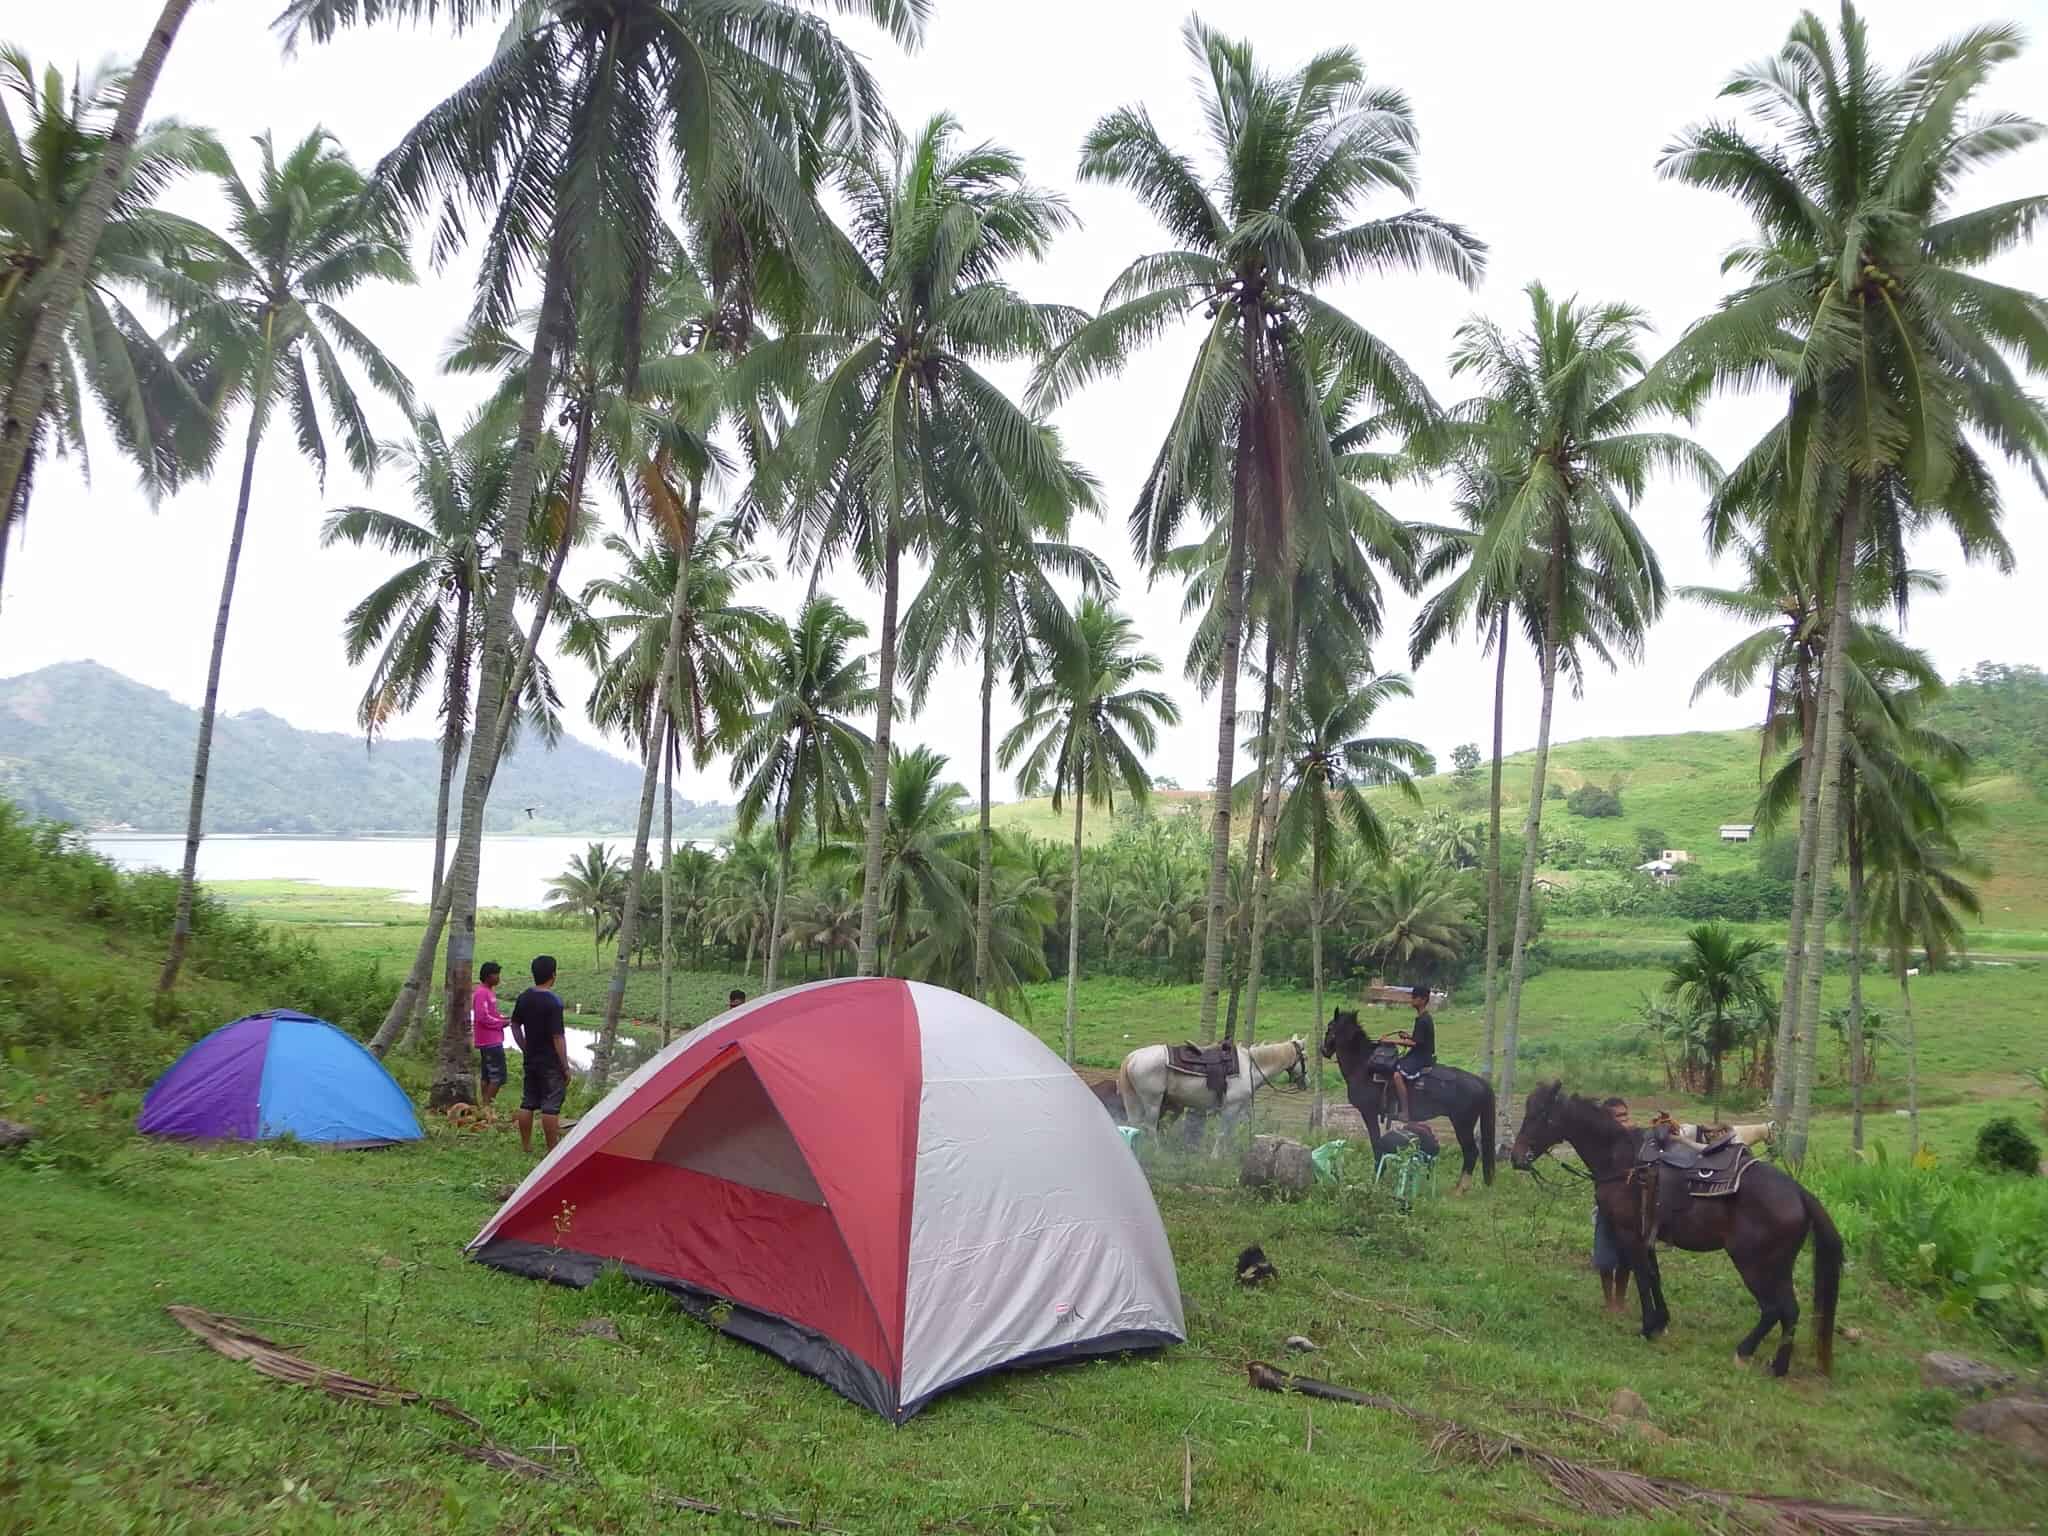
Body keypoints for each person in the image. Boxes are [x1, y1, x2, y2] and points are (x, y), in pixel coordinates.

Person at [509, 955, 571, 1156]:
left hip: (531, 1059)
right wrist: (565, 1066)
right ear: (553, 975)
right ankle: (552, 1149)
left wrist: (523, 1046)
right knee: (550, 1107)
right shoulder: (554, 1002)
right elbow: (558, 1037)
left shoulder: (524, 997)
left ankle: (526, 1146)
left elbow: (515, 1024)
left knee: (528, 1102)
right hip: (550, 1061)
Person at [1593, 1097, 1633, 1312]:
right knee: (1606, 1256)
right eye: (1619, 1116)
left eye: (1626, 1115)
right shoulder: (1601, 1145)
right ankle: (1610, 1302)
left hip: (1630, 1209)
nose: (1625, 1120)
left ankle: (1621, 1299)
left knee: (1627, 1256)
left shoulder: (1635, 1140)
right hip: (1608, 1208)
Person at [1387, 984, 1435, 1125]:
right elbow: (1418, 1039)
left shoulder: (1423, 1019)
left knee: (1397, 1075)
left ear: (1423, 999)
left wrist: (1391, 1041)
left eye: (1415, 997)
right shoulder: (1423, 1017)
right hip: (1419, 1052)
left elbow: (1415, 1044)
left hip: (1421, 1056)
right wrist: (1407, 1036)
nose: (1412, 999)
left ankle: (1406, 1112)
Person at [472, 961, 510, 1112]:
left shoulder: (488, 992)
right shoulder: (481, 993)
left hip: (490, 1039)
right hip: (490, 1040)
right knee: (498, 1075)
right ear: (488, 976)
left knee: (487, 1075)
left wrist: (502, 1017)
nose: (498, 977)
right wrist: (502, 1023)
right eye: (496, 974)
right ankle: (487, 1106)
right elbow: (483, 1017)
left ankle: (484, 1105)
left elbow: (491, 1014)